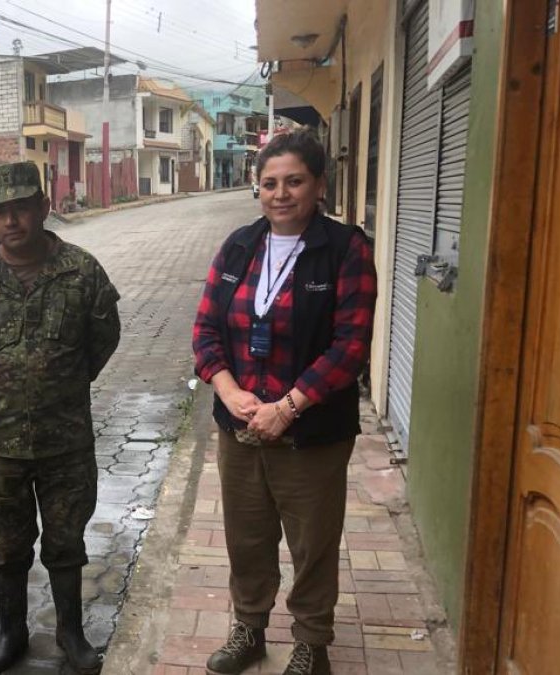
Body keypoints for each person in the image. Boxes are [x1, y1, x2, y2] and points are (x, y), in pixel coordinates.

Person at [191, 130, 378, 675]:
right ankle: (248, 630)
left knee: (312, 543)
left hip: (311, 434)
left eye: (294, 181)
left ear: (318, 185)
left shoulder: (344, 250)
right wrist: (229, 391)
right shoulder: (238, 246)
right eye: (269, 182)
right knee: (246, 538)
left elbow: (351, 347)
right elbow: (205, 330)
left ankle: (311, 644)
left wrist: (289, 406)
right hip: (241, 427)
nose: (280, 194)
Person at [0, 161, 121, 675]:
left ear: (43, 207)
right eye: (2, 211)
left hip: (67, 443)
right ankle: (12, 632)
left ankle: (70, 632)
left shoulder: (82, 271)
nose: (12, 220)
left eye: (22, 208)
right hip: (0, 447)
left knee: (66, 543)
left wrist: (65, 384)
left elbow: (105, 336)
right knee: (10, 546)